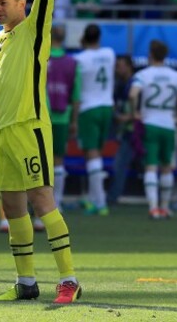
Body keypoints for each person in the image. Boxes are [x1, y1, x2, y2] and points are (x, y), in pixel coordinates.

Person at [0, 0, 82, 304]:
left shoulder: (32, 29)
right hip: (4, 133)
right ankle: (26, 282)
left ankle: (69, 280)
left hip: (30, 126)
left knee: (43, 201)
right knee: (12, 207)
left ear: (22, 4)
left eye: (3, 1)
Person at [130, 40, 177, 220]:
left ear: (150, 53)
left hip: (149, 123)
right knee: (167, 166)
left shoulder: (143, 74)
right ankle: (165, 207)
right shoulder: (176, 76)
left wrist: (135, 112)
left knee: (151, 166)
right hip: (169, 124)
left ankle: (153, 208)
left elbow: (132, 94)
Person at [74, 24, 116, 216]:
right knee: (96, 153)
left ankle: (100, 202)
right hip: (107, 106)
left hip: (88, 108)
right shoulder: (109, 54)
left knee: (91, 154)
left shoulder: (79, 59)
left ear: (84, 38)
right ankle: (92, 198)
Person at [47, 24, 80, 212]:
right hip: (62, 117)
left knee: (36, 160)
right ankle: (55, 203)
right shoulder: (72, 63)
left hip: (38, 116)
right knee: (58, 160)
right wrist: (74, 121)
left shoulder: (41, 58)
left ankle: (36, 203)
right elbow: (75, 97)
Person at [108, 55, 136, 205]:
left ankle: (112, 198)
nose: (116, 69)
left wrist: (128, 117)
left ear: (128, 66)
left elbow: (139, 110)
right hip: (126, 132)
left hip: (137, 132)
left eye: (119, 65)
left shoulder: (136, 83)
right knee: (120, 163)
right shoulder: (119, 84)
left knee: (120, 164)